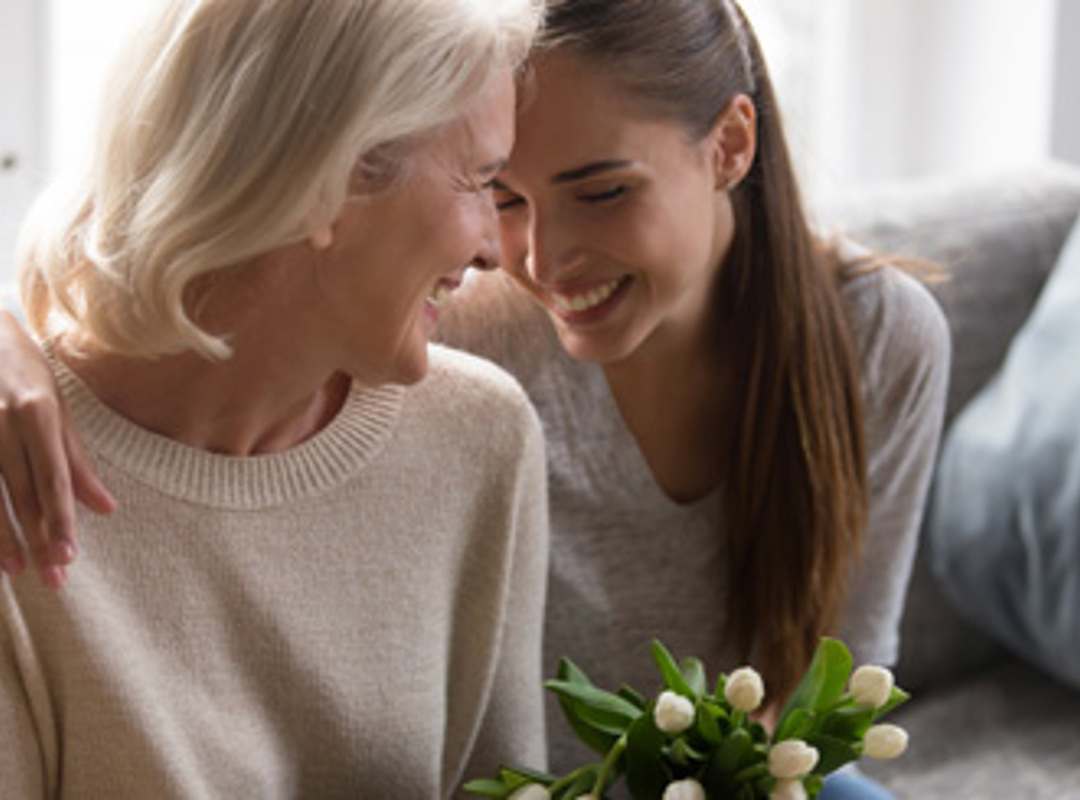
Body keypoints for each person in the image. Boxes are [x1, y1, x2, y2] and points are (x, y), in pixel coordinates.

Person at [0, 0, 949, 795]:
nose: (526, 258)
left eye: (603, 191)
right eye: (494, 189)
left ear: (730, 145)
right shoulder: (464, 341)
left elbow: (840, 699)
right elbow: (193, 281)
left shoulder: (475, 422)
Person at [0, 0, 549, 795]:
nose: (497, 250)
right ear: (331, 177)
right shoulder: (19, 470)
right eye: (479, 181)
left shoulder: (481, 440)